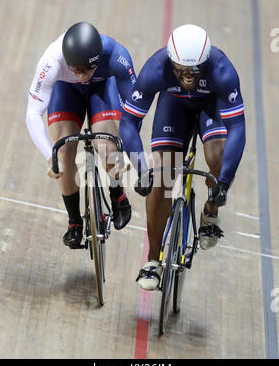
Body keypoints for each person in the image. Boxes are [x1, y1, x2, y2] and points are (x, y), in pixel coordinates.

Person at [120, 24, 246, 290]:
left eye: (194, 71)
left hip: (210, 107)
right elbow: (129, 122)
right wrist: (141, 169)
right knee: (162, 177)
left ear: (206, 63)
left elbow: (238, 128)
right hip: (174, 107)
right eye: (181, 71)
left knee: (217, 157)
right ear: (171, 62)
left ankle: (210, 214)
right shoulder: (156, 68)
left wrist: (223, 182)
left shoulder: (222, 70)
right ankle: (152, 260)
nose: (187, 77)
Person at [26, 22, 135, 249]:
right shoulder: (51, 61)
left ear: (97, 60)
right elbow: (32, 113)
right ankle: (74, 221)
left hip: (102, 88)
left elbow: (135, 109)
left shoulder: (116, 56)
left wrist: (126, 145)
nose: (81, 75)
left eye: (86, 69)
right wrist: (50, 156)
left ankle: (117, 194)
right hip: (66, 91)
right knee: (63, 154)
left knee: (107, 147)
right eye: (75, 69)